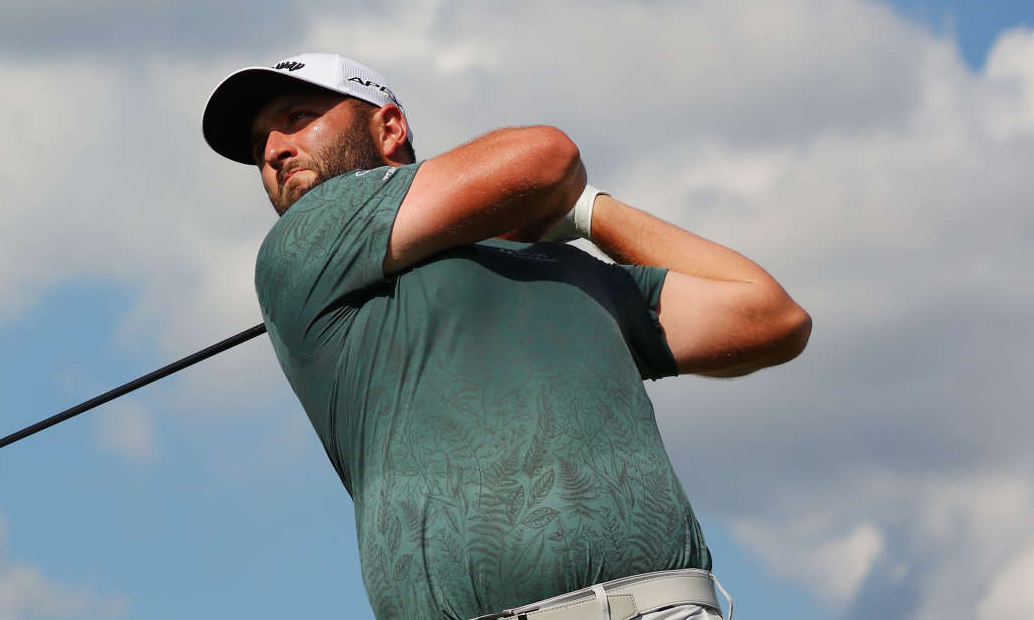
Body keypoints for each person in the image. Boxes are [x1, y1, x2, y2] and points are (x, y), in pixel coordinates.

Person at [201, 53, 811, 620]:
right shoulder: (303, 243)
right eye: (260, 146)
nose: (275, 150)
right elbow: (546, 158)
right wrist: (551, 201)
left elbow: (771, 317)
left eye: (298, 119)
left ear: (389, 129)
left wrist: (585, 214)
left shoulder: (567, 271)